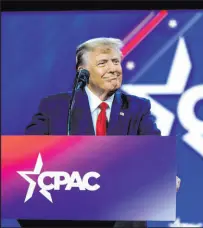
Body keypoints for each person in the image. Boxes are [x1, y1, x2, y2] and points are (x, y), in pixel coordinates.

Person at [19, 37, 180, 228]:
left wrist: (163, 175)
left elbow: (153, 152)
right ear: (83, 72)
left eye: (116, 62)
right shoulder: (55, 107)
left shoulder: (137, 108)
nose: (113, 68)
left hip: (121, 217)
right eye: (103, 63)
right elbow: (28, 156)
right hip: (68, 218)